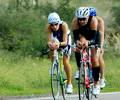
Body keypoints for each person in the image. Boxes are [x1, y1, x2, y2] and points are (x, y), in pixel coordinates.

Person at [71, 7, 101, 95]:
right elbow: (76, 37)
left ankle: (96, 84)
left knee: (95, 59)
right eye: (80, 19)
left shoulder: (93, 20)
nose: (81, 21)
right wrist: (77, 42)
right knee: (77, 48)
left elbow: (94, 38)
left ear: (88, 17)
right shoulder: (75, 22)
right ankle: (79, 68)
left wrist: (89, 42)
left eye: (84, 19)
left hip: (93, 36)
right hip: (82, 35)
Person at [47, 12, 73, 94]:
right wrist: (51, 44)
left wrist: (59, 44)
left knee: (65, 61)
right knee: (51, 48)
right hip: (56, 40)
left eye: (56, 24)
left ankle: (69, 84)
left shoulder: (64, 25)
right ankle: (54, 65)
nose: (54, 26)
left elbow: (65, 42)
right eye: (52, 25)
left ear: (59, 22)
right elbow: (49, 41)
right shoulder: (48, 28)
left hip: (65, 40)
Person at [89, 7, 105, 89]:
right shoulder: (87, 21)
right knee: (91, 56)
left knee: (99, 57)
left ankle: (102, 78)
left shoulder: (99, 21)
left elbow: (101, 35)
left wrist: (100, 47)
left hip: (98, 38)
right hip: (91, 37)